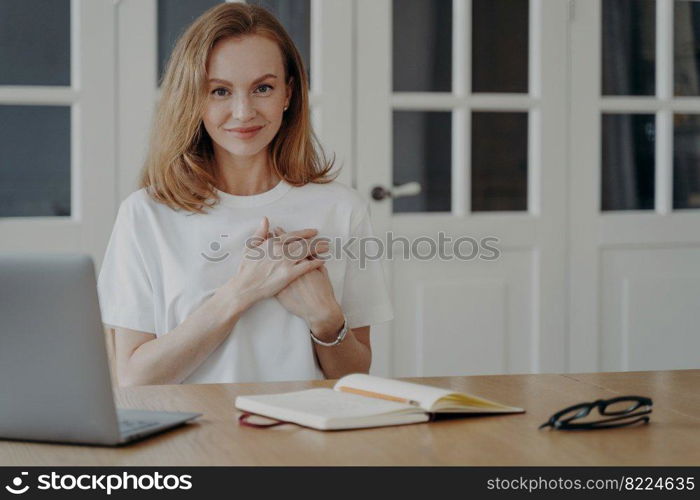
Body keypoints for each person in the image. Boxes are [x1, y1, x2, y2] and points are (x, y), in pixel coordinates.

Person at [97, 3, 393, 386]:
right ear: (194, 98)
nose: (242, 112)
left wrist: (325, 318)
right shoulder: (147, 214)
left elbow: (355, 376)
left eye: (263, 88)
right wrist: (243, 291)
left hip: (303, 438)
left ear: (288, 93)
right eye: (220, 91)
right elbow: (135, 378)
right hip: (191, 441)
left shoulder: (340, 208)